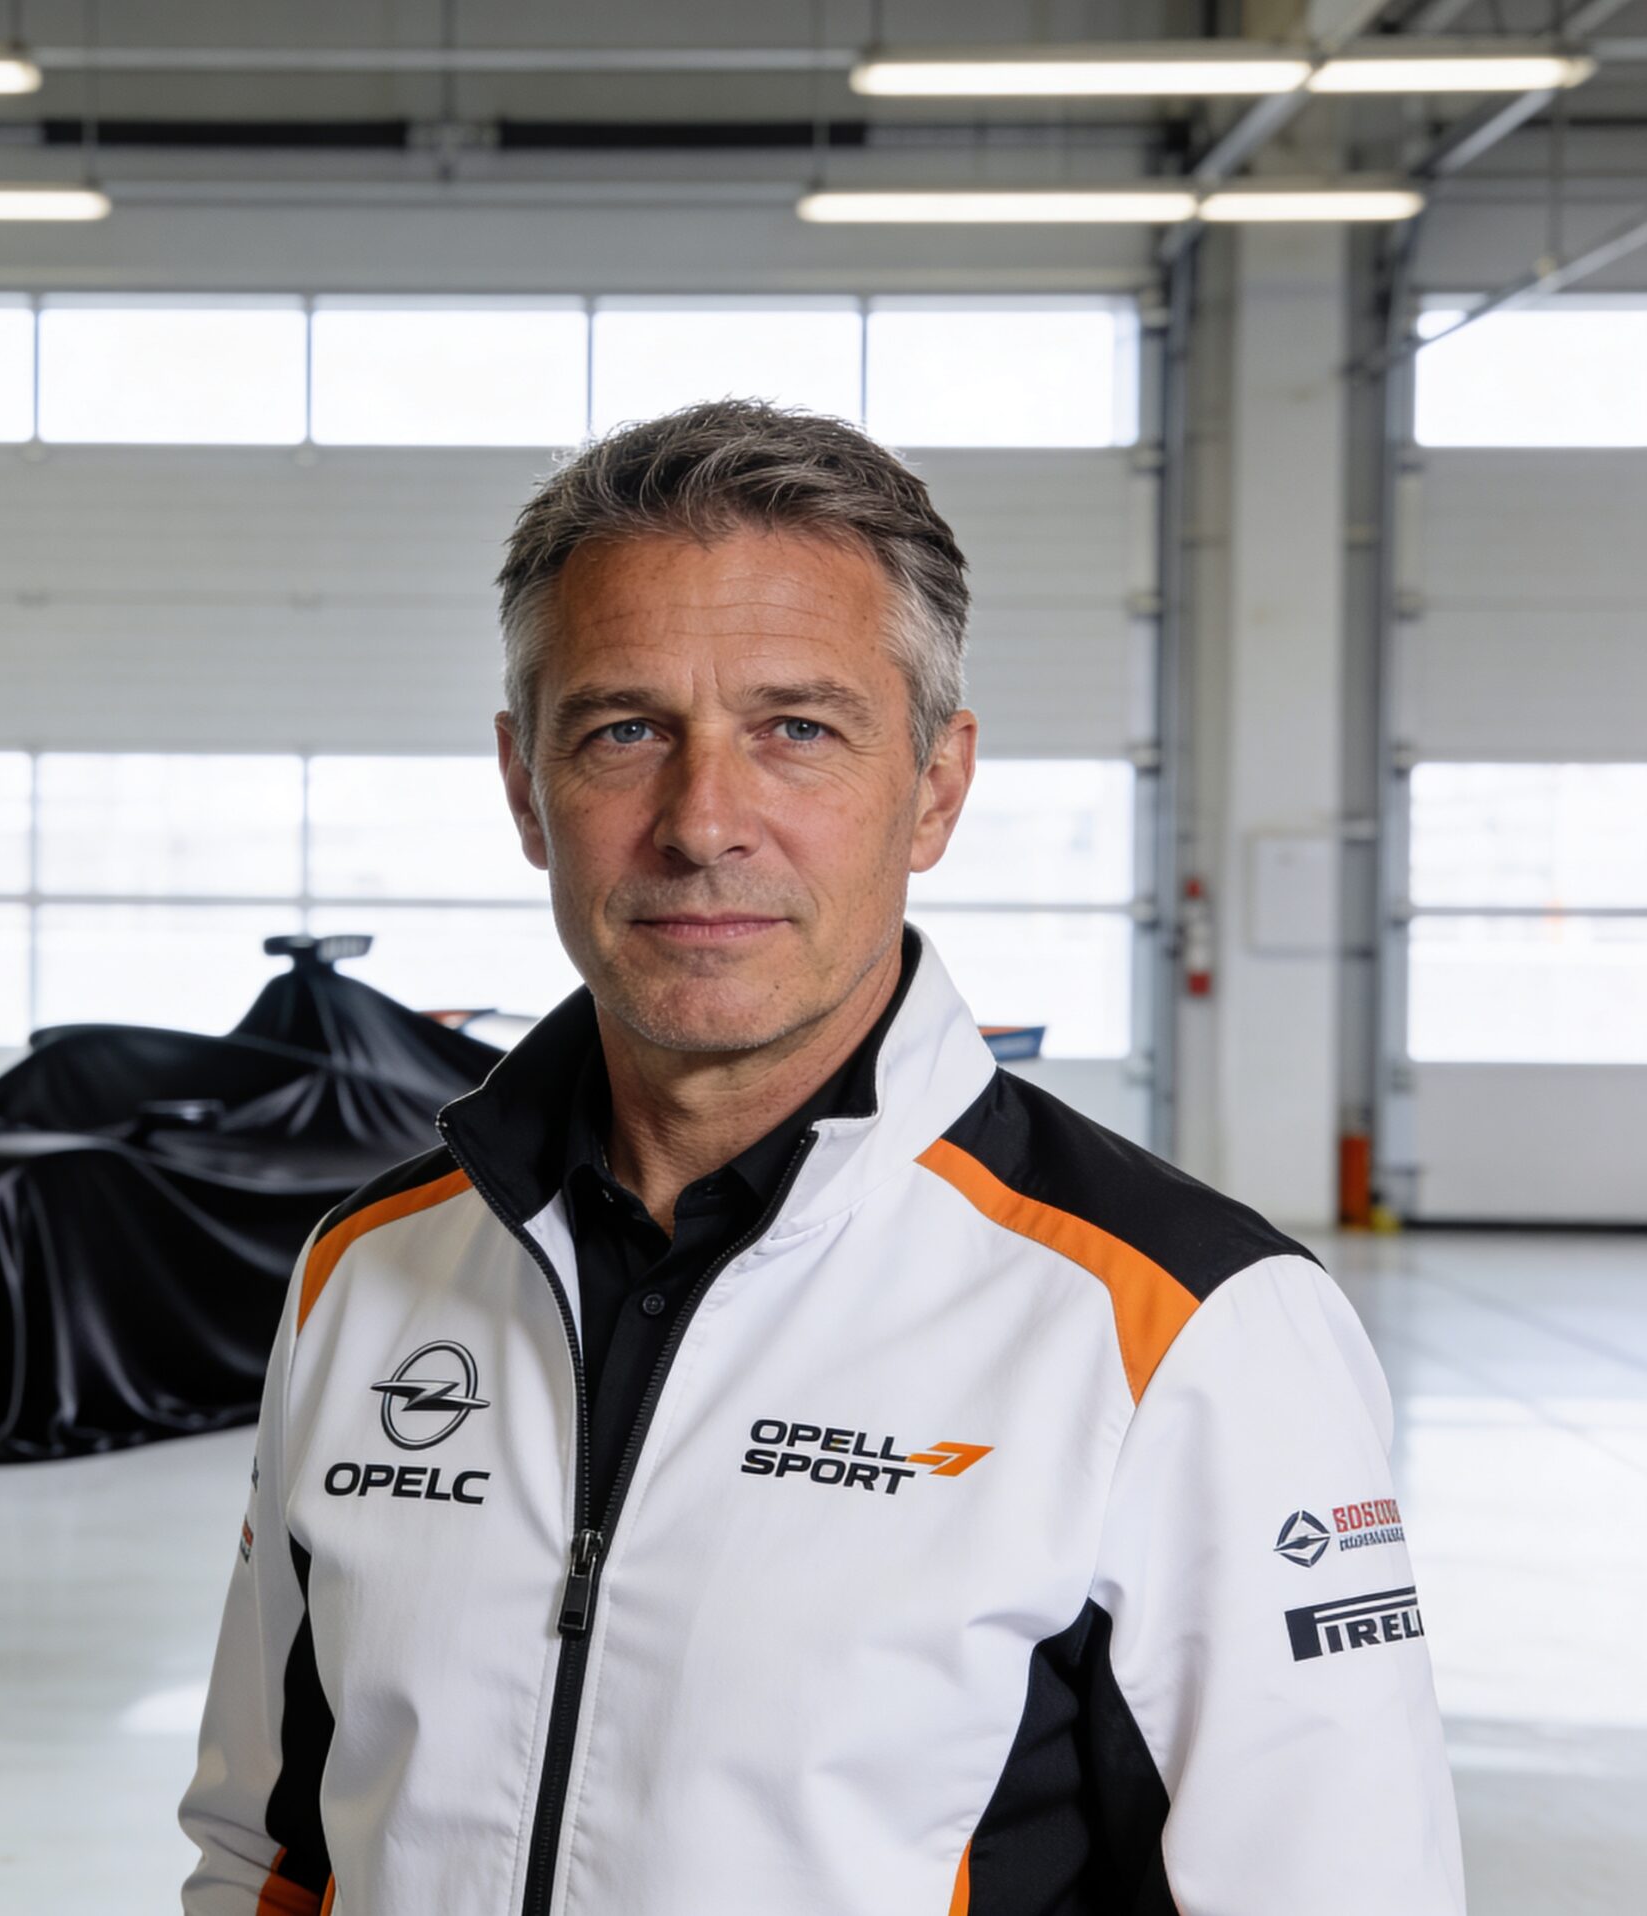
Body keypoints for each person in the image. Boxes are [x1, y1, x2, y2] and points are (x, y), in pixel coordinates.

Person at [179, 400, 1462, 1915]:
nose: (703, 822)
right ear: (526, 785)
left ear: (935, 785)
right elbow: (267, 1854)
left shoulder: (1180, 1328)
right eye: (624, 730)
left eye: (797, 729)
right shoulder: (368, 1273)